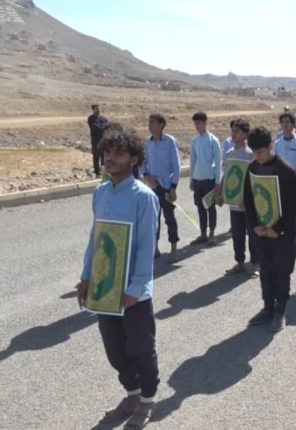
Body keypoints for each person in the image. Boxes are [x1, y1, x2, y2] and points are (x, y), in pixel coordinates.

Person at [75, 125, 160, 429]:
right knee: (114, 349)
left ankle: (148, 399)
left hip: (134, 293)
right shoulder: (100, 193)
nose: (110, 158)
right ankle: (132, 393)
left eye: (119, 153)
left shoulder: (144, 197)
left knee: (140, 348)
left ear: (134, 160)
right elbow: (95, 238)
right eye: (107, 152)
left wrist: (135, 288)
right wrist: (86, 277)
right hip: (104, 289)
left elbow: (146, 247)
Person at [244, 126, 296, 332]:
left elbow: (295, 205)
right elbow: (249, 200)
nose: (257, 156)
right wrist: (255, 226)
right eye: (254, 152)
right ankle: (267, 307)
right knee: (266, 271)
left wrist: (277, 229)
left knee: (281, 271)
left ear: (271, 146)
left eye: (260, 152)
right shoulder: (252, 169)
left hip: (281, 234)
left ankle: (280, 309)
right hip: (261, 233)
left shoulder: (287, 171)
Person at [217, 119, 259, 278]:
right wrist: (221, 193)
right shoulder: (229, 153)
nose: (233, 134)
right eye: (232, 131)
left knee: (253, 234)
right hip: (234, 203)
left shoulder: (251, 154)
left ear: (245, 133)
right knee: (237, 233)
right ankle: (240, 262)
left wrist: (248, 198)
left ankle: (255, 264)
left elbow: (255, 178)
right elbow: (226, 175)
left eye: (237, 131)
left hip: (249, 204)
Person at [142, 113, 181, 261]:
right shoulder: (148, 143)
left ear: (161, 125)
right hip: (153, 188)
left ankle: (174, 249)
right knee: (154, 219)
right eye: (149, 122)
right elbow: (143, 163)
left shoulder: (170, 142)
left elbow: (176, 166)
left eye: (153, 122)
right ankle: (155, 247)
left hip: (166, 187)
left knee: (169, 218)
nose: (150, 125)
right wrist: (147, 176)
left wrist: (173, 187)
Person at [274, 112, 296, 251]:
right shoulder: (277, 144)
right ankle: (285, 237)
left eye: (288, 122)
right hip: (281, 184)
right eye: (283, 122)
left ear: (293, 125)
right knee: (283, 211)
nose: (285, 125)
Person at [188, 112, 222, 246]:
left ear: (205, 123)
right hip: (197, 180)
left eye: (199, 123)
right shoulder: (195, 141)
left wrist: (217, 182)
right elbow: (192, 161)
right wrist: (191, 180)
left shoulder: (213, 140)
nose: (197, 126)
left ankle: (212, 234)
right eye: (195, 123)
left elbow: (218, 162)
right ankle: (203, 234)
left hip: (209, 180)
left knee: (210, 207)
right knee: (200, 207)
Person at [87, 104, 109, 176]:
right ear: (93, 109)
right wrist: (103, 126)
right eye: (96, 108)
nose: (98, 110)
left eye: (99, 108)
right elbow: (96, 128)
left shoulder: (103, 118)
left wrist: (103, 127)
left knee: (104, 158)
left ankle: (104, 174)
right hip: (95, 141)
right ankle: (97, 173)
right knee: (96, 157)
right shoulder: (91, 119)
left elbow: (108, 126)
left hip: (103, 141)